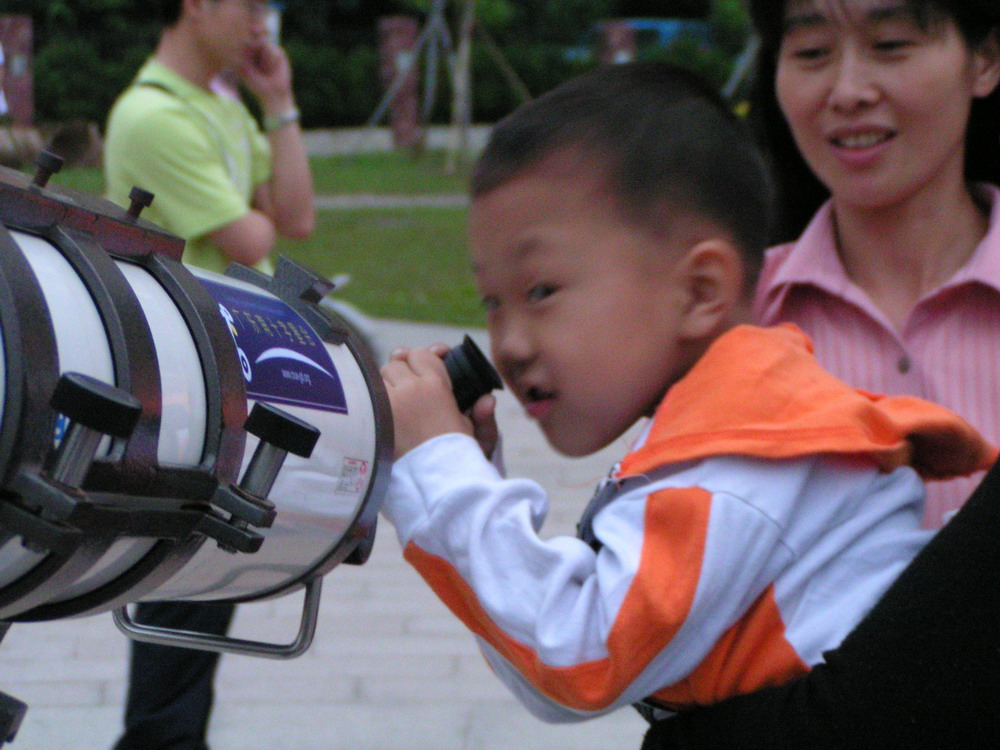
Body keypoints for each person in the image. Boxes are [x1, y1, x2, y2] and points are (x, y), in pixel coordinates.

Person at [378, 61, 995, 725]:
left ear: (700, 291)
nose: (511, 342)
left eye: (541, 292)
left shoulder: (739, 460)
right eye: (492, 303)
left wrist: (440, 472)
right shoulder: (727, 432)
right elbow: (554, 675)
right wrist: (465, 474)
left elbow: (581, 656)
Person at [640, 0, 1000, 746]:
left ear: (985, 60)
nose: (847, 88)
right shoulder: (721, 328)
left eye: (891, 44)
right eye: (809, 52)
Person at [102, 1, 314, 748]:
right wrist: (256, 218)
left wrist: (279, 103)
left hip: (229, 369)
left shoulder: (222, 107)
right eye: (249, 4)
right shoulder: (150, 115)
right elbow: (256, 231)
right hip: (182, 382)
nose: (261, 20)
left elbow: (295, 211)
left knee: (195, 594)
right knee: (179, 597)